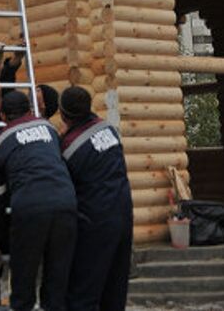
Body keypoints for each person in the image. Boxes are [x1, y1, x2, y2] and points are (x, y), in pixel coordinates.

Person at [0, 89, 77, 311]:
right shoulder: (49, 129)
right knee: (57, 283)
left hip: (30, 209)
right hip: (66, 203)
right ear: (29, 110)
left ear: (4, 116)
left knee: (23, 283)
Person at [59, 86, 133, 311]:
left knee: (84, 293)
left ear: (63, 114)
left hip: (95, 222)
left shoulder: (69, 148)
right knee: (115, 289)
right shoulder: (108, 129)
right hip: (122, 215)